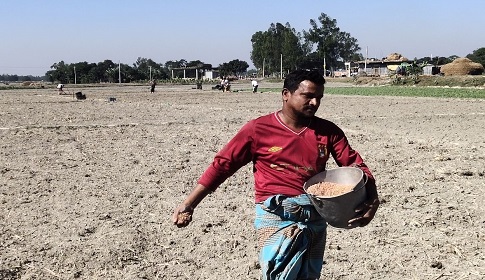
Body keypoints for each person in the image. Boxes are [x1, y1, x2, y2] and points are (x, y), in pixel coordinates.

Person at [172, 69, 380, 280]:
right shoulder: (258, 130)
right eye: (308, 96)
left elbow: (354, 164)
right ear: (285, 94)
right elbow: (223, 165)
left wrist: (372, 197)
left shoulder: (328, 131)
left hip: (314, 216)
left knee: (309, 276)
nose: (315, 103)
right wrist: (190, 203)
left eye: (319, 98)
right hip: (276, 216)